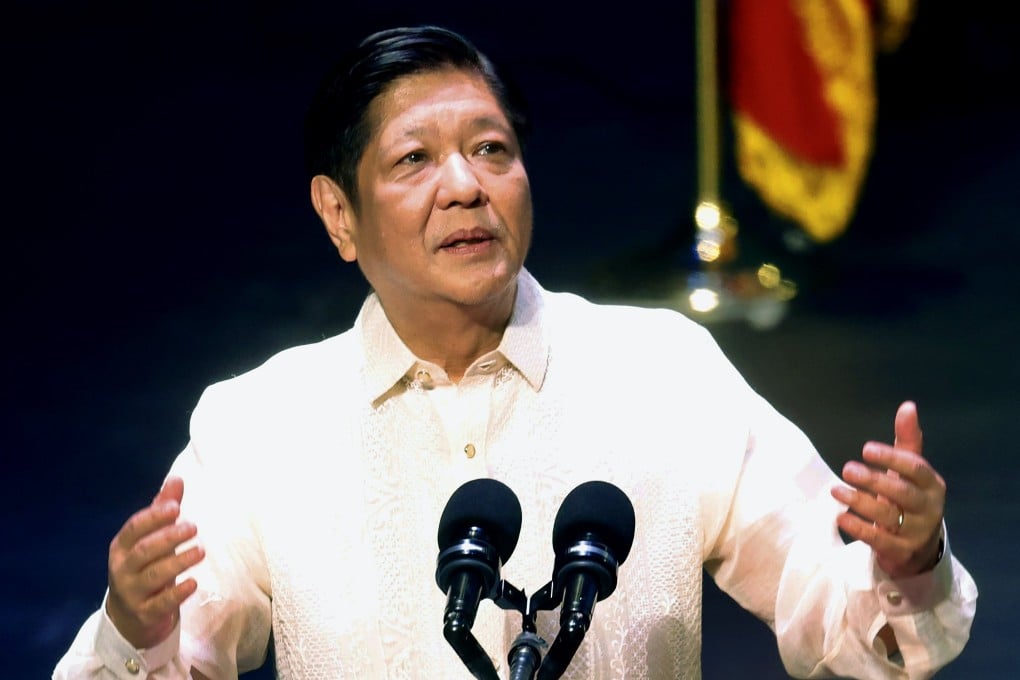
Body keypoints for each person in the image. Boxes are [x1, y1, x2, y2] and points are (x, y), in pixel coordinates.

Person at [54, 25, 976, 679]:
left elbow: (844, 614)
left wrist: (905, 560)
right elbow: (178, 653)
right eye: (415, 160)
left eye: (491, 149)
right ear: (339, 214)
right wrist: (137, 628)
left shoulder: (661, 371)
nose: (465, 186)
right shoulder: (259, 424)